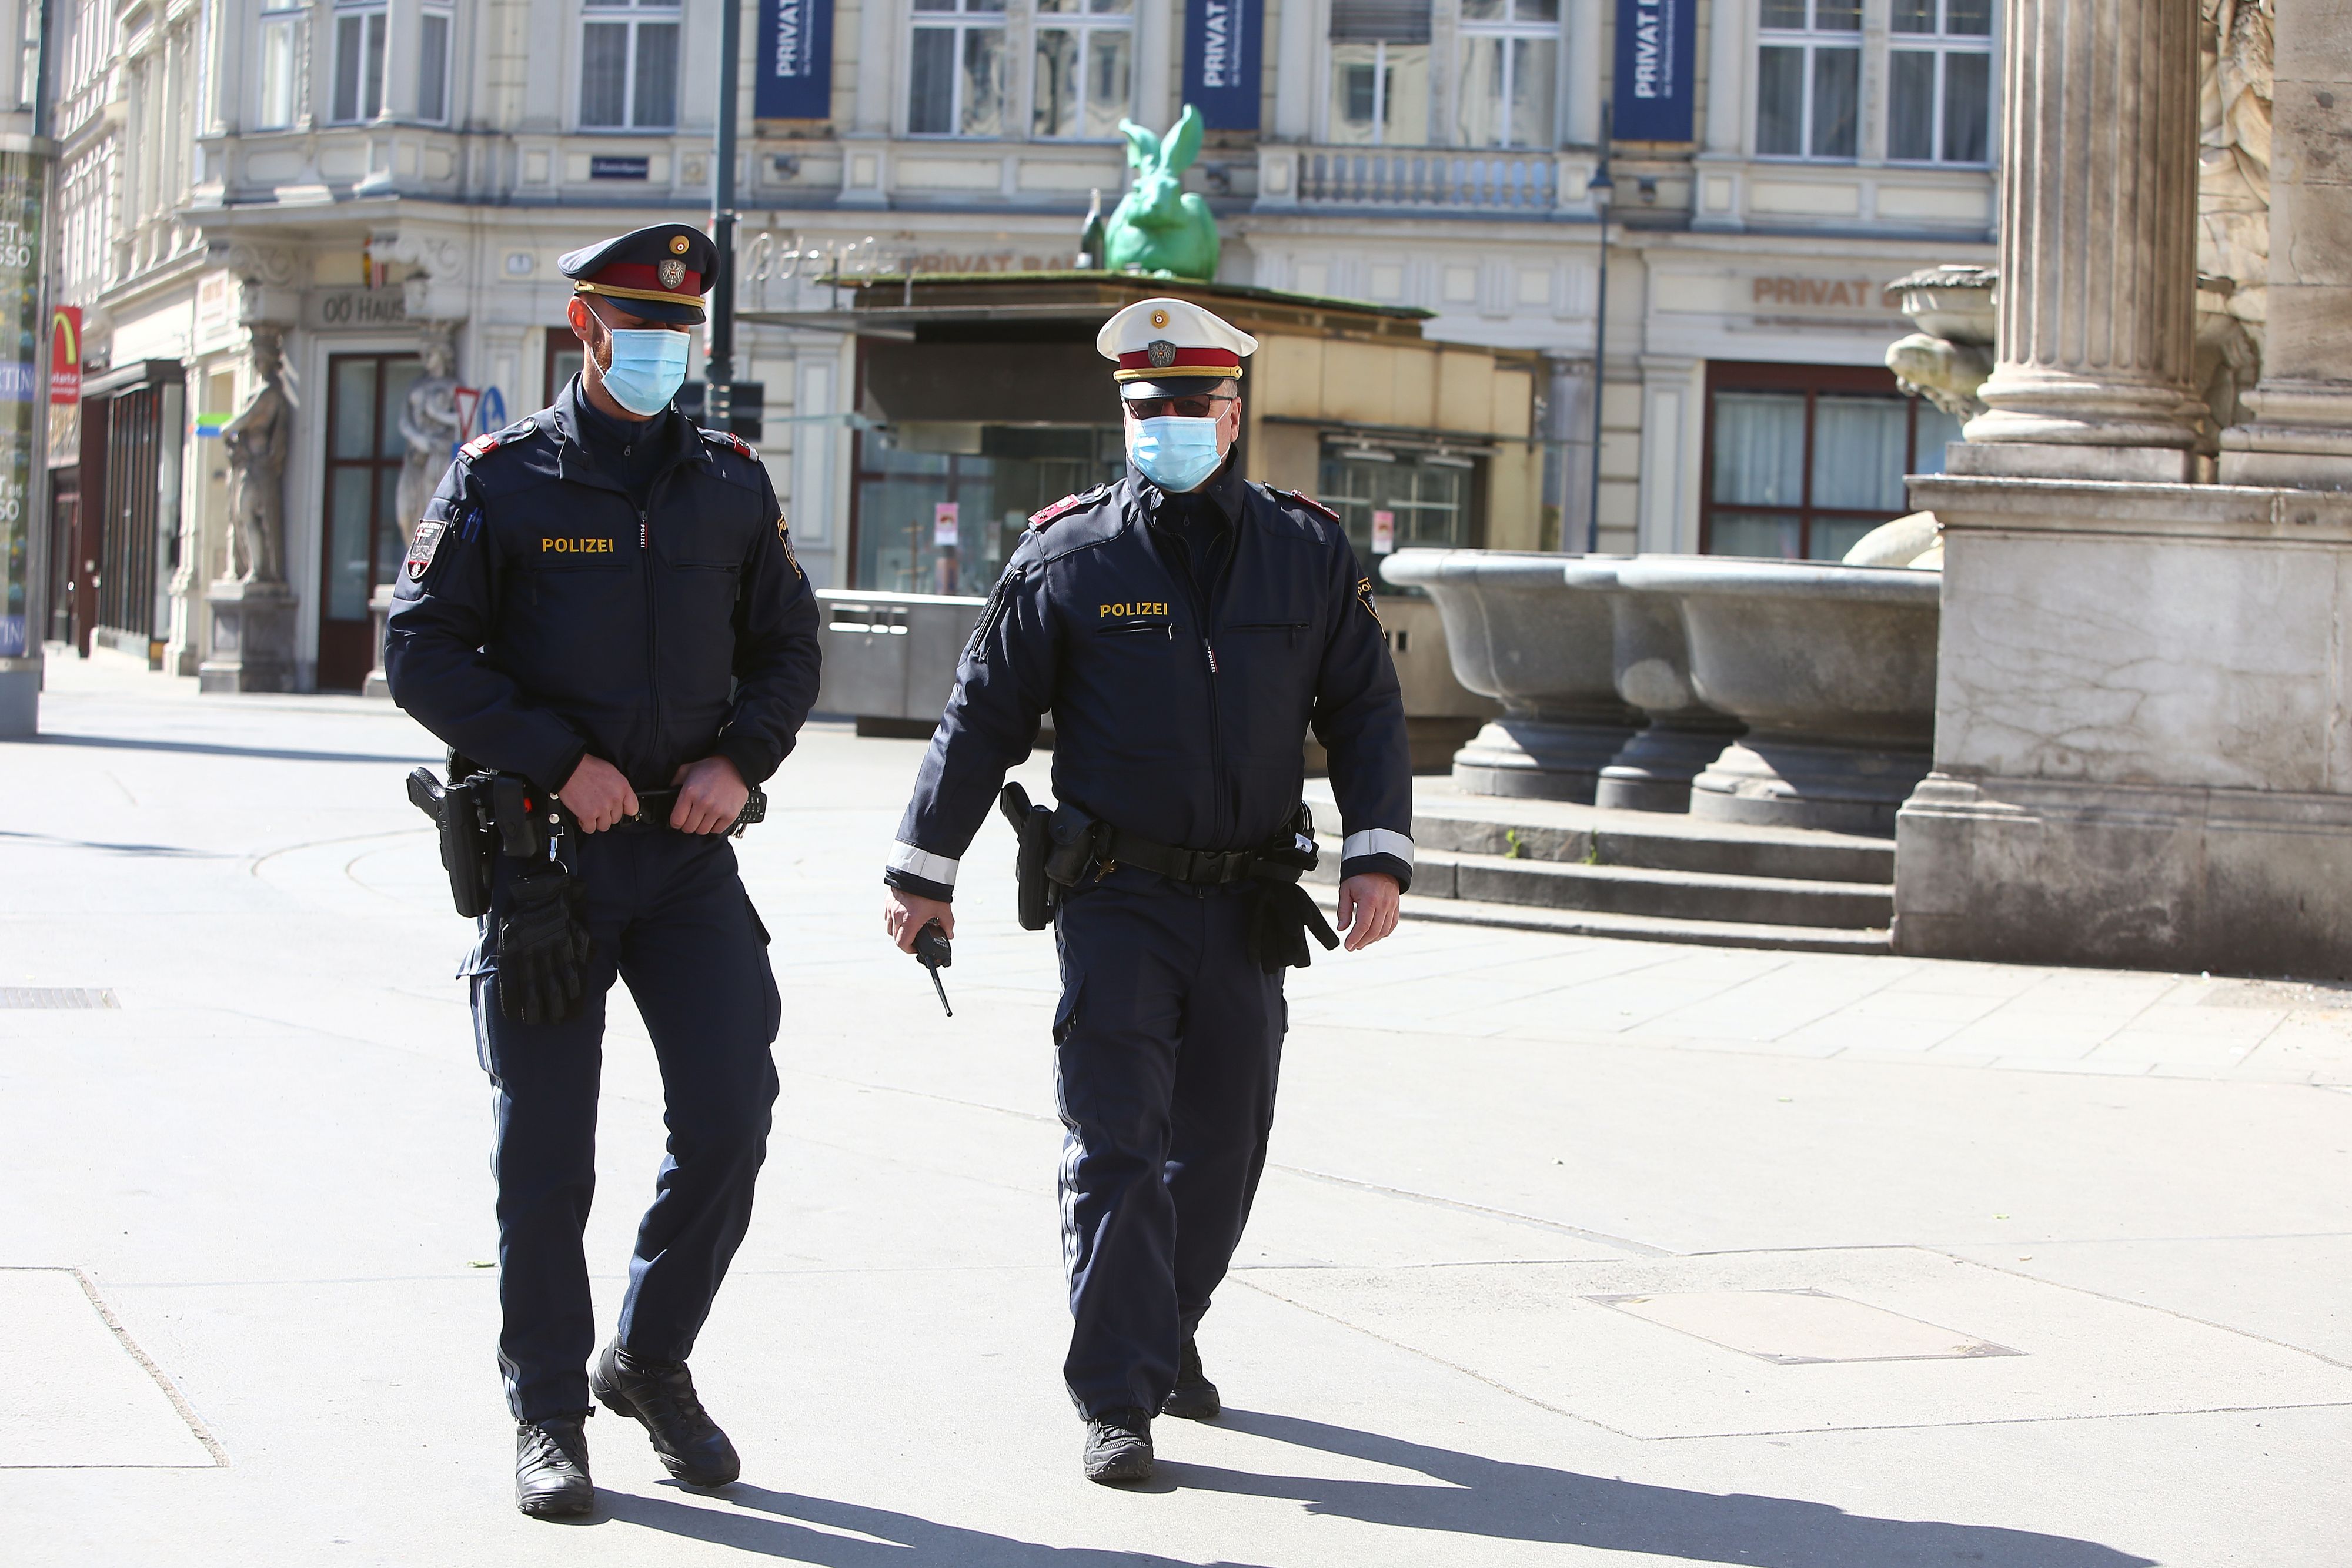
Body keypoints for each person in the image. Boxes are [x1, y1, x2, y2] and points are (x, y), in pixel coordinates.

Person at [880, 296, 1414, 1485]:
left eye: (1187, 404)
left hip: (1249, 901)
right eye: (1143, 409)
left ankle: (1167, 1329)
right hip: (1116, 897)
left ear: (1233, 411)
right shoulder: (1069, 554)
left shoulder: (1306, 550)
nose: (1163, 425)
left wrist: (1376, 852)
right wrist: (924, 869)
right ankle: (1117, 1392)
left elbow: (1365, 709)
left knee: (1222, 1149)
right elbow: (981, 716)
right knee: (1117, 1142)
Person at [385, 223, 822, 1519]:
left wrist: (740, 758)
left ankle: (647, 1356)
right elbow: (420, 649)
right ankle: (548, 1414)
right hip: (551, 863)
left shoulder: (730, 482)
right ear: (585, 330)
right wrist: (558, 759)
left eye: (680, 332)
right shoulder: (504, 477)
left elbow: (788, 648)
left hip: (686, 858)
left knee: (732, 1115)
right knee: (546, 1155)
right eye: (641, 330)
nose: (662, 351)